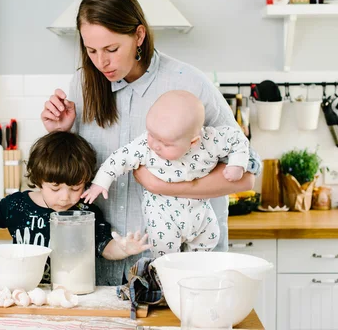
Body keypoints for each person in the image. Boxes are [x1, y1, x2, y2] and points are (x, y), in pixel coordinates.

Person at [40, 0, 261, 285]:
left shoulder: (189, 84)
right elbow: (76, 175)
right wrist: (61, 135)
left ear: (139, 35)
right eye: (91, 50)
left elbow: (248, 174)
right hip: (99, 270)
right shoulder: (83, 84)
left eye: (112, 49)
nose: (101, 61)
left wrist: (163, 185)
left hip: (179, 270)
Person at [0, 131, 151, 283]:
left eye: (75, 188)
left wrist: (123, 249)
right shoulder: (19, 205)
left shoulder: (86, 212)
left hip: (71, 294)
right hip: (24, 290)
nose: (65, 197)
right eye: (55, 188)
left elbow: (103, 245)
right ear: (39, 179)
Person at [81, 90, 250, 256]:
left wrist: (237, 163)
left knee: (208, 240)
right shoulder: (145, 146)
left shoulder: (211, 141)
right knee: (164, 255)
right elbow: (119, 158)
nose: (155, 145)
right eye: (151, 134)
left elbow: (237, 138)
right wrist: (100, 182)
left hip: (199, 210)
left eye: (165, 143)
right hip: (162, 213)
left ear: (193, 142)